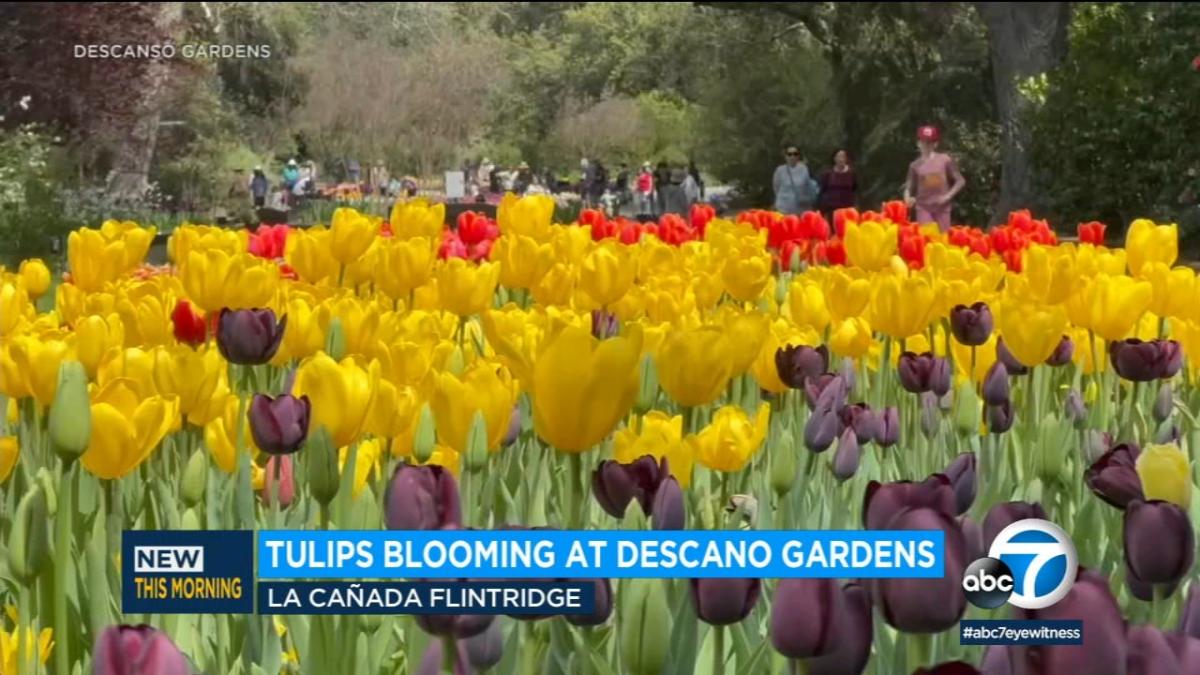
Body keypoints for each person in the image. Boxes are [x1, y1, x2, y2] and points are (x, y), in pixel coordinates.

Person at [904, 125, 966, 231]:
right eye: (923, 142)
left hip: (942, 207)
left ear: (935, 144)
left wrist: (947, 196)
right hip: (923, 207)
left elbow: (960, 181)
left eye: (930, 142)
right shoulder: (914, 165)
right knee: (927, 238)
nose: (926, 145)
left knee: (943, 239)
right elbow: (908, 188)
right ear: (918, 143)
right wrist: (907, 198)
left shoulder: (945, 160)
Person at [773, 145, 819, 215]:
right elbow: (776, 187)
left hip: (800, 208)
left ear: (798, 156)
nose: (792, 156)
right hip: (783, 208)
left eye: (795, 154)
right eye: (789, 154)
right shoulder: (780, 170)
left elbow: (807, 185)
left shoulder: (804, 169)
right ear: (785, 156)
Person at [817, 149, 858, 220]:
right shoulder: (828, 174)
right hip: (832, 210)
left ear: (846, 159)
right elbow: (823, 191)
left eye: (843, 157)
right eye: (838, 157)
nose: (841, 159)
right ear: (834, 159)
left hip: (847, 210)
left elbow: (855, 188)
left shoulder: (852, 173)